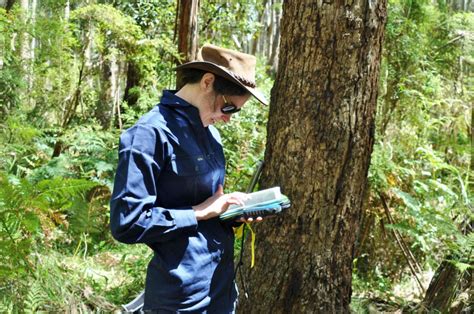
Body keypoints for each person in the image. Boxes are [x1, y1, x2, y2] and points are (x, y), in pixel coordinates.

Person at [109, 44, 267, 313]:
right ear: (208, 82)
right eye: (228, 108)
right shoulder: (149, 134)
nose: (227, 119)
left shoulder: (212, 135)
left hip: (221, 291)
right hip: (179, 298)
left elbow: (209, 204)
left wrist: (229, 211)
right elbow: (127, 222)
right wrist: (198, 213)